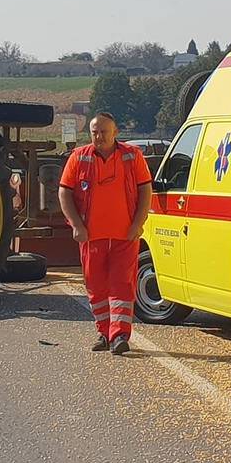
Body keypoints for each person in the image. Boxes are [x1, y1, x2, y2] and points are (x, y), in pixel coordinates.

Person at [59, 113, 153, 355]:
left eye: (104, 132)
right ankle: (103, 331)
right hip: (91, 236)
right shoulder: (79, 157)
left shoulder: (132, 156)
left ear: (115, 133)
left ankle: (120, 335)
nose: (99, 137)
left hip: (125, 235)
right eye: (95, 132)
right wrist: (76, 226)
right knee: (96, 285)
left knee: (122, 284)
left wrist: (137, 223)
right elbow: (64, 192)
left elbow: (145, 191)